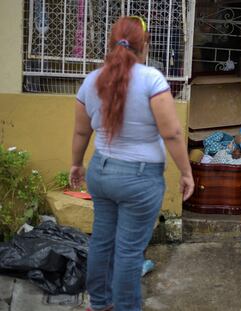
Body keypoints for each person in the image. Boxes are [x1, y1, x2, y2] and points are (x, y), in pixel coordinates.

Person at [69, 16, 194, 311]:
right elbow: (172, 133)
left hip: (101, 171)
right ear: (144, 46)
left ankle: (99, 305)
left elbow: (80, 131)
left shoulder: (91, 80)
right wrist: (186, 172)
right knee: (128, 252)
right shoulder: (152, 80)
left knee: (101, 241)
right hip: (139, 179)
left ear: (112, 44)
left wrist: (76, 164)